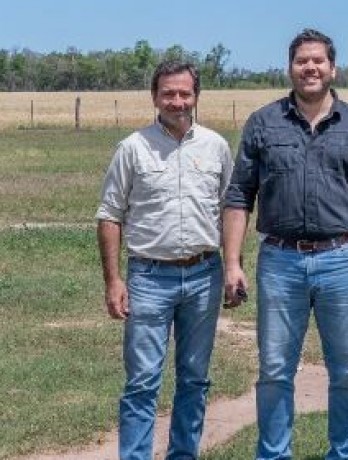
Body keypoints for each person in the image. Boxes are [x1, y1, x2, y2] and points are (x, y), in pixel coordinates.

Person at [222, 28, 348, 460]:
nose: (310, 68)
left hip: (343, 259)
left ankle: (345, 454)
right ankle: (273, 453)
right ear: (290, 68)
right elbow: (239, 195)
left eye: (318, 60)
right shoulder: (264, 123)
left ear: (332, 68)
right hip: (280, 261)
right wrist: (232, 263)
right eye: (302, 61)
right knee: (275, 370)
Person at [96, 60, 233, 460]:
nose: (177, 101)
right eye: (168, 93)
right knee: (142, 381)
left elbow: (231, 210)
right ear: (155, 97)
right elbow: (110, 215)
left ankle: (182, 454)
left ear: (196, 96)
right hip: (149, 278)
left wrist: (233, 265)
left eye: (184, 93)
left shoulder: (216, 146)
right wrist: (113, 280)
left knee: (194, 379)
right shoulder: (132, 147)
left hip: (205, 274)